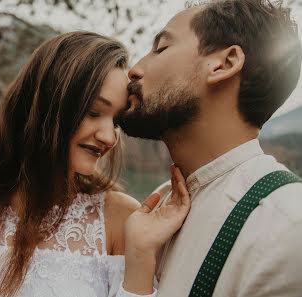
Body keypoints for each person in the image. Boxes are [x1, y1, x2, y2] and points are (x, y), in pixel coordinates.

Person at [0, 31, 190, 297]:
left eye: (115, 123)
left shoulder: (118, 220)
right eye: (93, 112)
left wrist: (140, 254)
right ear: (49, 105)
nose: (108, 137)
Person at [117, 0, 302, 296]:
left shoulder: (287, 227)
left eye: (161, 48)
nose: (135, 69)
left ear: (224, 64)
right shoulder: (160, 207)